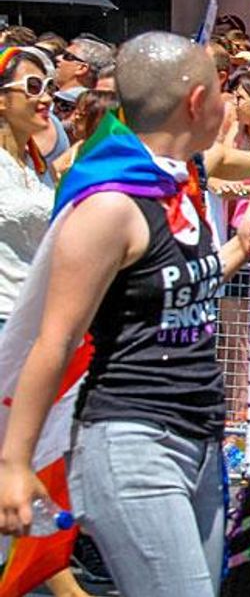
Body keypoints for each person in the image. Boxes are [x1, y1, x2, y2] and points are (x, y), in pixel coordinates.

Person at [0, 32, 250, 597]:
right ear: (198, 103)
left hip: (197, 440)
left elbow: (178, 285)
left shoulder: (177, 188)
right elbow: (54, 342)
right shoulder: (109, 206)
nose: (230, 103)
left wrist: (239, 247)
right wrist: (14, 462)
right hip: (132, 443)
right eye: (222, 91)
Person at [0, 46, 90, 597]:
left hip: (30, 330)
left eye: (47, 88)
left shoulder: (38, 163)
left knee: (33, 456)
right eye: (31, 88)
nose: (45, 98)